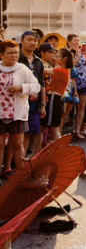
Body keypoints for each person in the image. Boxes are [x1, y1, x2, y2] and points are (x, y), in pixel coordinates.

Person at [0, 40, 42, 178]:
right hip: (1, 114)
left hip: (17, 113)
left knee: (17, 144)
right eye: (10, 53)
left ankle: (21, 176)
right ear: (1, 55)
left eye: (16, 53)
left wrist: (21, 88)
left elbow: (36, 87)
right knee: (0, 145)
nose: (13, 55)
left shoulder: (22, 69)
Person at [18, 31, 45, 157]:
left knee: (35, 132)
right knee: (20, 135)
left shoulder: (38, 62)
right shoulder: (16, 59)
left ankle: (33, 161)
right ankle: (19, 164)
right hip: (18, 103)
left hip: (34, 104)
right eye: (29, 39)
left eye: (35, 41)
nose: (32, 43)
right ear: (22, 40)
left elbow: (42, 83)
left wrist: (43, 104)